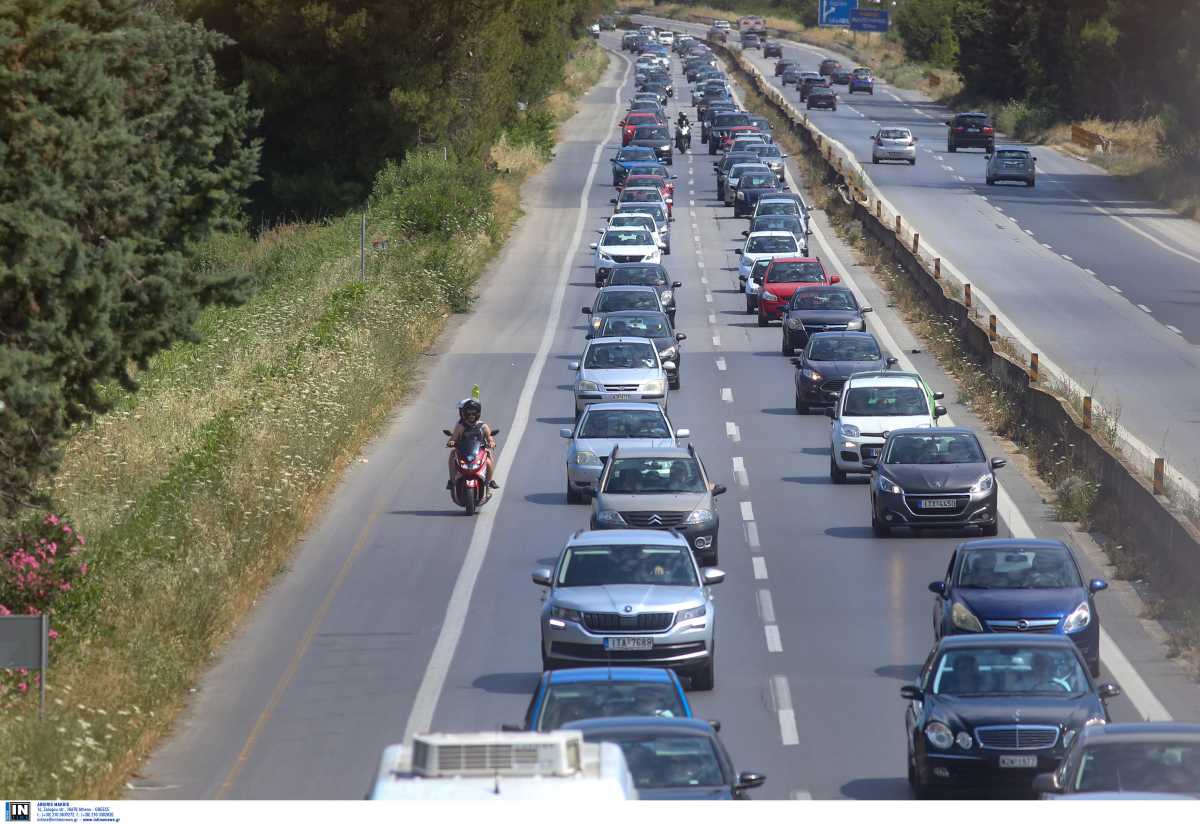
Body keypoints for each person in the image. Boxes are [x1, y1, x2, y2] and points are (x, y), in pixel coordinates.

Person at [446, 398, 499, 490]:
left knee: (489, 457)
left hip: (479, 452)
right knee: (452, 454)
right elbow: (453, 438)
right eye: (469, 413)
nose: (471, 416)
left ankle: (490, 481)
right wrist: (451, 442)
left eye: (473, 413)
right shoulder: (460, 426)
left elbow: (489, 437)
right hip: (463, 452)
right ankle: (452, 480)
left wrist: (491, 443)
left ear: (478, 413)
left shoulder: (483, 426)